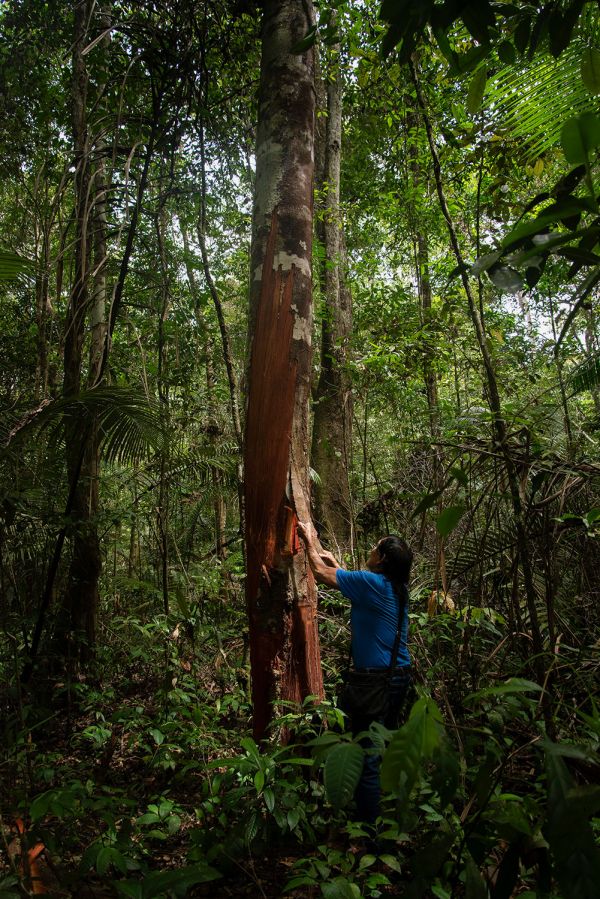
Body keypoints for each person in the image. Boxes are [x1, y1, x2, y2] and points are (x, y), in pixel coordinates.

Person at [297, 521, 413, 824]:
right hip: (399, 675)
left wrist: (308, 538)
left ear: (383, 559)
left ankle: (369, 830)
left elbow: (320, 574)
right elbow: (350, 582)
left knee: (367, 753)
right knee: (383, 743)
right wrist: (335, 563)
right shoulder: (396, 588)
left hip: (375, 680)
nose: (371, 550)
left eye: (376, 547)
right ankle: (390, 812)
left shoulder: (371, 584)